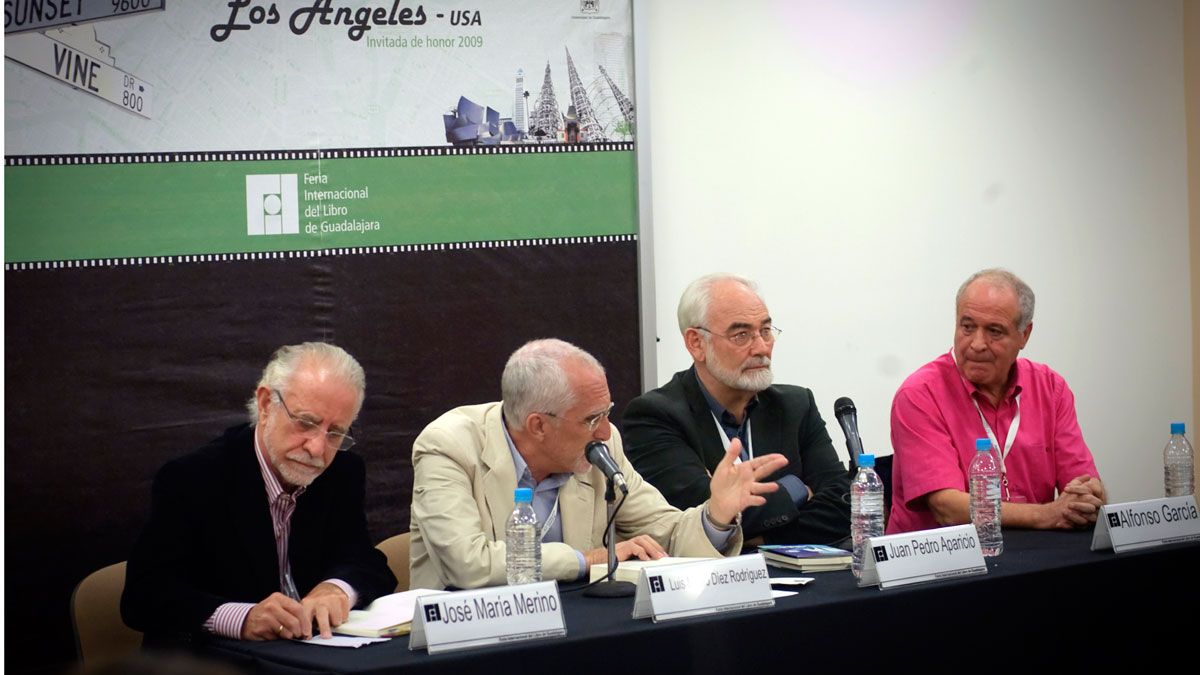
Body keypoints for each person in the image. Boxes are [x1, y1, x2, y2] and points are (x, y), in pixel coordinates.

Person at [408, 338, 788, 590]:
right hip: (468, 647)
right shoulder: (450, 446)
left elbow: (666, 535)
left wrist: (716, 516)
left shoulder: (600, 449)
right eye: (592, 419)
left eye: (606, 413)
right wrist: (586, 560)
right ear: (538, 425)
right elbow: (467, 563)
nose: (606, 431)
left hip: (577, 634)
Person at [121, 342, 396, 642]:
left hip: (310, 656)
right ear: (266, 405)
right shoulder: (193, 478)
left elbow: (366, 562)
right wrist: (243, 618)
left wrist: (336, 588)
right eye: (306, 423)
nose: (317, 448)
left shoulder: (341, 471)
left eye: (335, 433)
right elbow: (144, 596)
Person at [622, 274, 851, 546]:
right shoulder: (655, 416)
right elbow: (701, 516)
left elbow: (844, 503)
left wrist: (760, 537)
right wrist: (797, 488)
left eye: (765, 330)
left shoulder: (796, 405)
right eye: (741, 335)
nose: (761, 347)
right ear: (696, 343)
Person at [888, 268, 1106, 534]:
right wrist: (1045, 514)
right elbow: (948, 508)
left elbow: (1083, 484)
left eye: (994, 331)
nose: (977, 344)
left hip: (1035, 557)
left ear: (1024, 335)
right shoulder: (920, 394)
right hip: (941, 565)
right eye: (967, 327)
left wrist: (1089, 497)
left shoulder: (1050, 388)